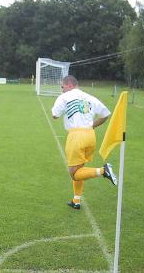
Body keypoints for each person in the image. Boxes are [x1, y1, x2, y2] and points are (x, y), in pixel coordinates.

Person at [52, 75, 117, 210]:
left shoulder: (64, 97)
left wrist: (62, 103)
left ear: (68, 84)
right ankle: (76, 200)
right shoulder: (89, 97)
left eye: (62, 86)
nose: (62, 89)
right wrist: (93, 125)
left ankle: (103, 171)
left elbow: (55, 115)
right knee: (80, 169)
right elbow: (105, 114)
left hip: (76, 136)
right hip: (90, 135)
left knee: (74, 174)